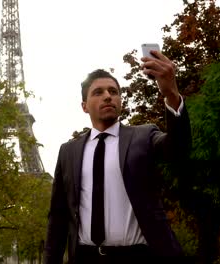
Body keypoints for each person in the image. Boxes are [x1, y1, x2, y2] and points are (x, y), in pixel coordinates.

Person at [43, 50, 191, 264]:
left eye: (113, 91)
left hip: (138, 256)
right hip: (86, 257)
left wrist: (171, 95)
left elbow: (178, 150)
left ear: (120, 101)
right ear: (84, 106)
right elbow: (57, 217)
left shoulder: (144, 136)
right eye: (98, 92)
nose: (107, 96)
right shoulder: (68, 152)